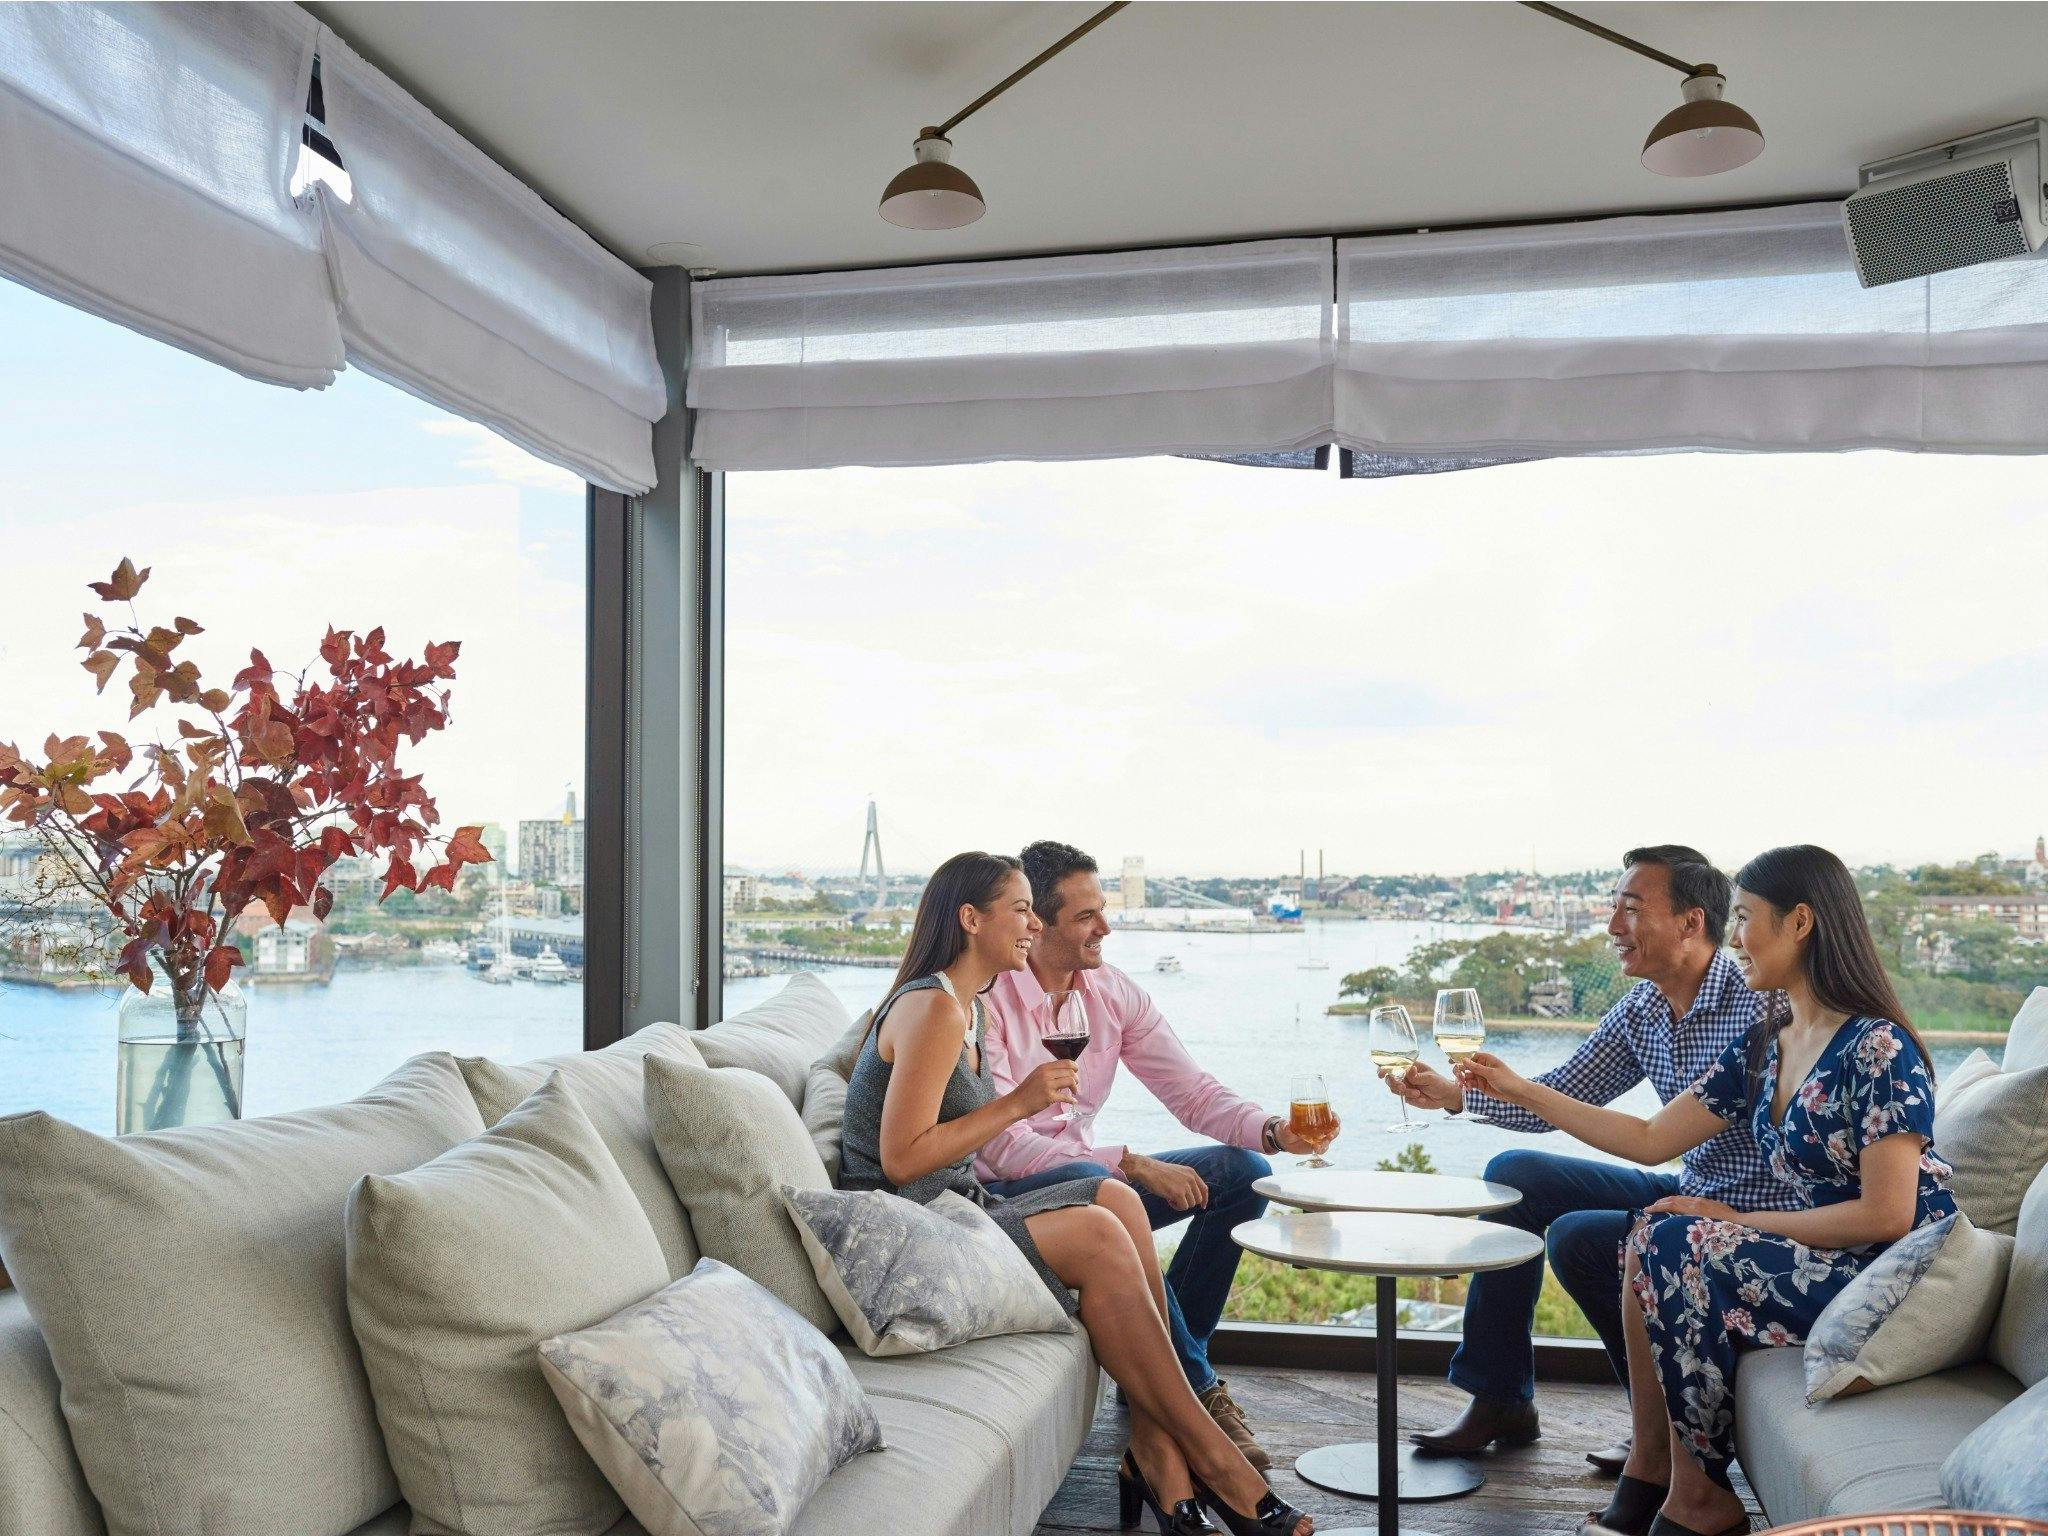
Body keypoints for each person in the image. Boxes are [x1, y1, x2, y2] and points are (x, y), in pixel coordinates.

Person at [1456, 844, 1955, 1536]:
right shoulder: (1771, 1043)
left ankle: (1692, 1497)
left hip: (1887, 1269)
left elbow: (1890, 1214)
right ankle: (1668, 1483)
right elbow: (1650, 1139)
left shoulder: (1877, 1047)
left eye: (1746, 918)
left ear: (1801, 924)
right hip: (1819, 1251)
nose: (1736, 936)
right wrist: (1506, 1088)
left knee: (1675, 1239)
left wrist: (1730, 1216)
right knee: (1651, 1231)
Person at [839, 851, 1313, 1536]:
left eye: (1036, 909)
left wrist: (1269, 1131)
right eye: (1024, 910)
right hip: (912, 1225)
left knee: (1123, 1197)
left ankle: (1156, 1449)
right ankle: (1213, 1456)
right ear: (973, 920)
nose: (1032, 926)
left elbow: (1192, 1090)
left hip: (956, 1205)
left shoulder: (972, 1005)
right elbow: (901, 1159)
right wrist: (1025, 1105)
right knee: (1104, 1205)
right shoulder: (945, 1009)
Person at [1385, 847, 1793, 1473]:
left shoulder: (1759, 1006)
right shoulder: (1644, 1009)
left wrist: (1505, 1089)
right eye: (1613, 909)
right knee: (1516, 1176)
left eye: (1632, 910)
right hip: (1688, 1182)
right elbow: (1563, 1094)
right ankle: (1500, 1397)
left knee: (1579, 1238)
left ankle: (1659, 1421)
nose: (1612, 928)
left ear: (1691, 922)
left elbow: (1658, 1135)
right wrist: (1457, 1096)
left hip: (1745, 1212)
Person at [978, 840, 1331, 1473]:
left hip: (1093, 1179)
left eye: (1103, 910)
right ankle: (1197, 1395)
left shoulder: (1111, 994)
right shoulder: (990, 1002)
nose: (1105, 928)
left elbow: (1192, 1092)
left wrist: (1273, 1131)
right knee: (1095, 1177)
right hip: (1010, 1195)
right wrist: (1134, 1165)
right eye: (1086, 916)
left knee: (1245, 1176)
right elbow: (1002, 1146)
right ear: (1038, 923)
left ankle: (1158, 1384)